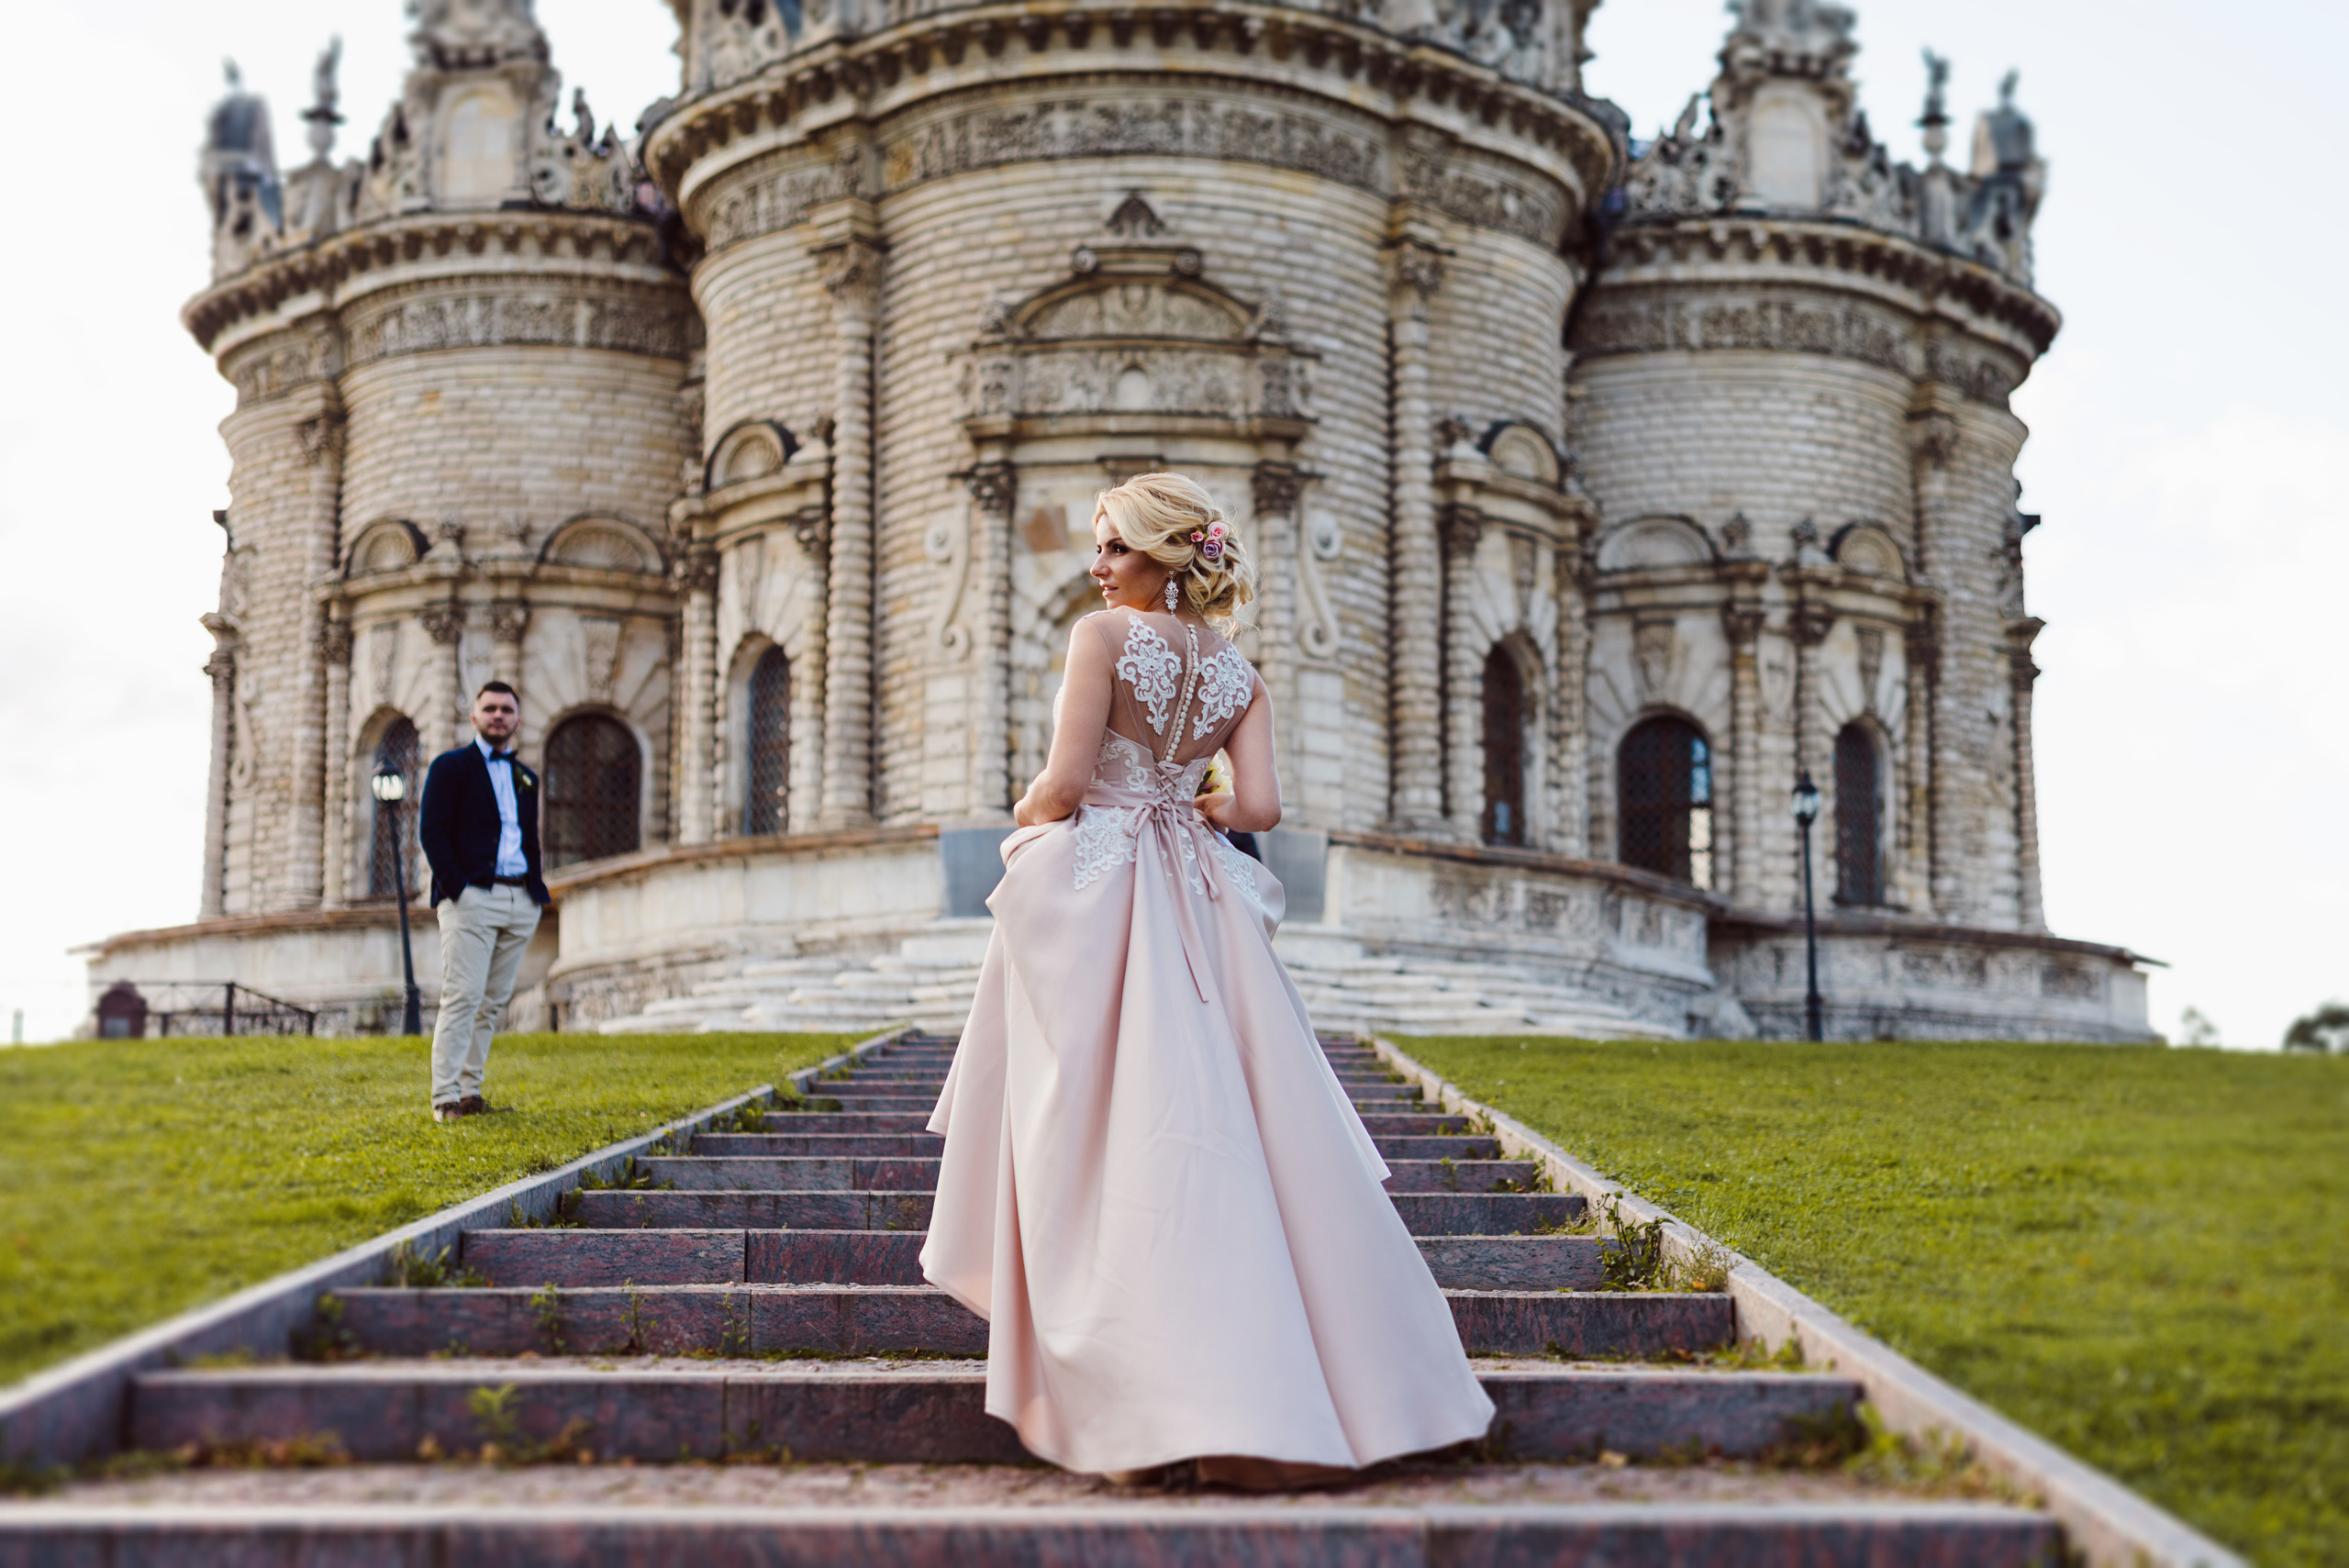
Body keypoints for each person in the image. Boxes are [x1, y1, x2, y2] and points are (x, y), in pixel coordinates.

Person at [921, 473, 1494, 1489]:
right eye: (1099, 546)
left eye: (1115, 547)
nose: (1098, 566)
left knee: (1090, 1126)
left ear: (1167, 554)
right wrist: (1196, 808)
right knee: (1228, 1118)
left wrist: (1033, 809)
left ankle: (1133, 1398)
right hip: (1198, 893)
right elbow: (1260, 808)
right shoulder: (1242, 673)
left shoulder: (1100, 638)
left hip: (1102, 888)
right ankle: (1301, 1389)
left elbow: (1064, 783)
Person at [417, 681, 550, 1122]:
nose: (498, 716)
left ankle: (470, 1093)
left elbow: (527, 838)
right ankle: (445, 1098)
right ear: (474, 717)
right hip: (472, 897)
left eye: (506, 710)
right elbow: (432, 832)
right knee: (463, 995)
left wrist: (534, 892)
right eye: (490, 708)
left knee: (492, 1001)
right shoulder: (450, 767)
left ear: (517, 720)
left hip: (520, 899)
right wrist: (458, 888)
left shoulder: (526, 777)